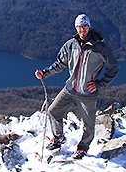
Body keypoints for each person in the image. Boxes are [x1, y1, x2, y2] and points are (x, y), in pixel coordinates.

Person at [35, 14, 119, 159]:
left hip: (87, 93)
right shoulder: (71, 45)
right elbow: (60, 64)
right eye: (79, 27)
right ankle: (58, 138)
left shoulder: (99, 47)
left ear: (89, 27)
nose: (82, 30)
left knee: (88, 124)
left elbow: (114, 67)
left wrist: (99, 84)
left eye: (84, 26)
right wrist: (44, 73)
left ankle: (82, 148)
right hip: (70, 89)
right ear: (76, 28)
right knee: (53, 111)